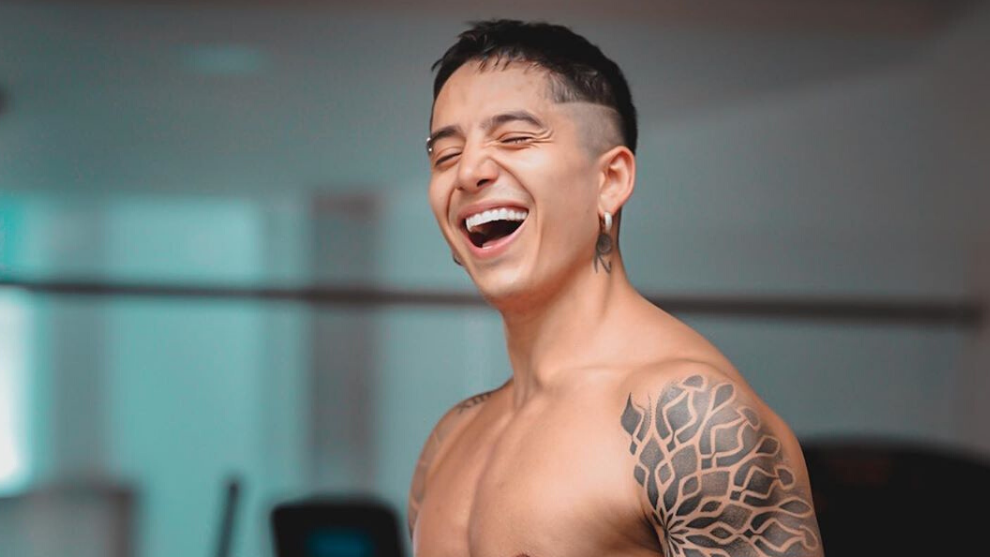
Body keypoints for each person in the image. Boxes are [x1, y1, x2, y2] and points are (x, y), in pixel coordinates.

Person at [408, 18, 824, 557]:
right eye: (446, 155)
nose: (468, 173)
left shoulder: (692, 421)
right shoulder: (451, 437)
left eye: (514, 138)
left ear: (610, 180)